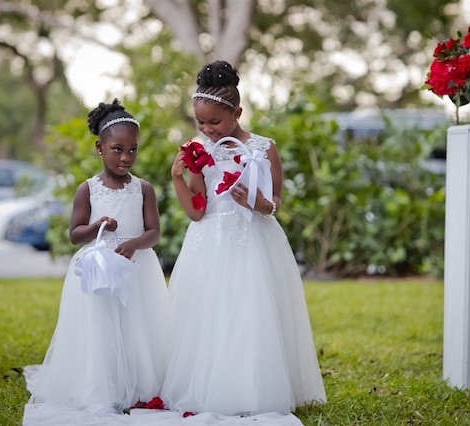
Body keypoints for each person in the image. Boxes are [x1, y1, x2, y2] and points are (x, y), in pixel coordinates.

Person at [161, 60, 327, 416]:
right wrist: (178, 178)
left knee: (252, 311)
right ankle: (208, 385)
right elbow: (196, 211)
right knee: (208, 313)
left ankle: (254, 386)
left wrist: (256, 201)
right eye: (200, 122)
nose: (208, 130)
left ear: (237, 112)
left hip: (254, 241)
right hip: (209, 241)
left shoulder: (264, 148)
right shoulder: (199, 152)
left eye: (215, 122)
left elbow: (275, 203)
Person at [25, 99, 170, 415]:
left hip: (136, 268)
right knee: (101, 328)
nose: (126, 157)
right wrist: (97, 226)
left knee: (137, 328)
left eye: (133, 149)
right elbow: (75, 234)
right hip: (99, 267)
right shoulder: (87, 189)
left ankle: (139, 384)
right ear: (99, 148)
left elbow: (154, 232)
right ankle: (102, 386)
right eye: (118, 149)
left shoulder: (143, 189)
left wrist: (133, 243)